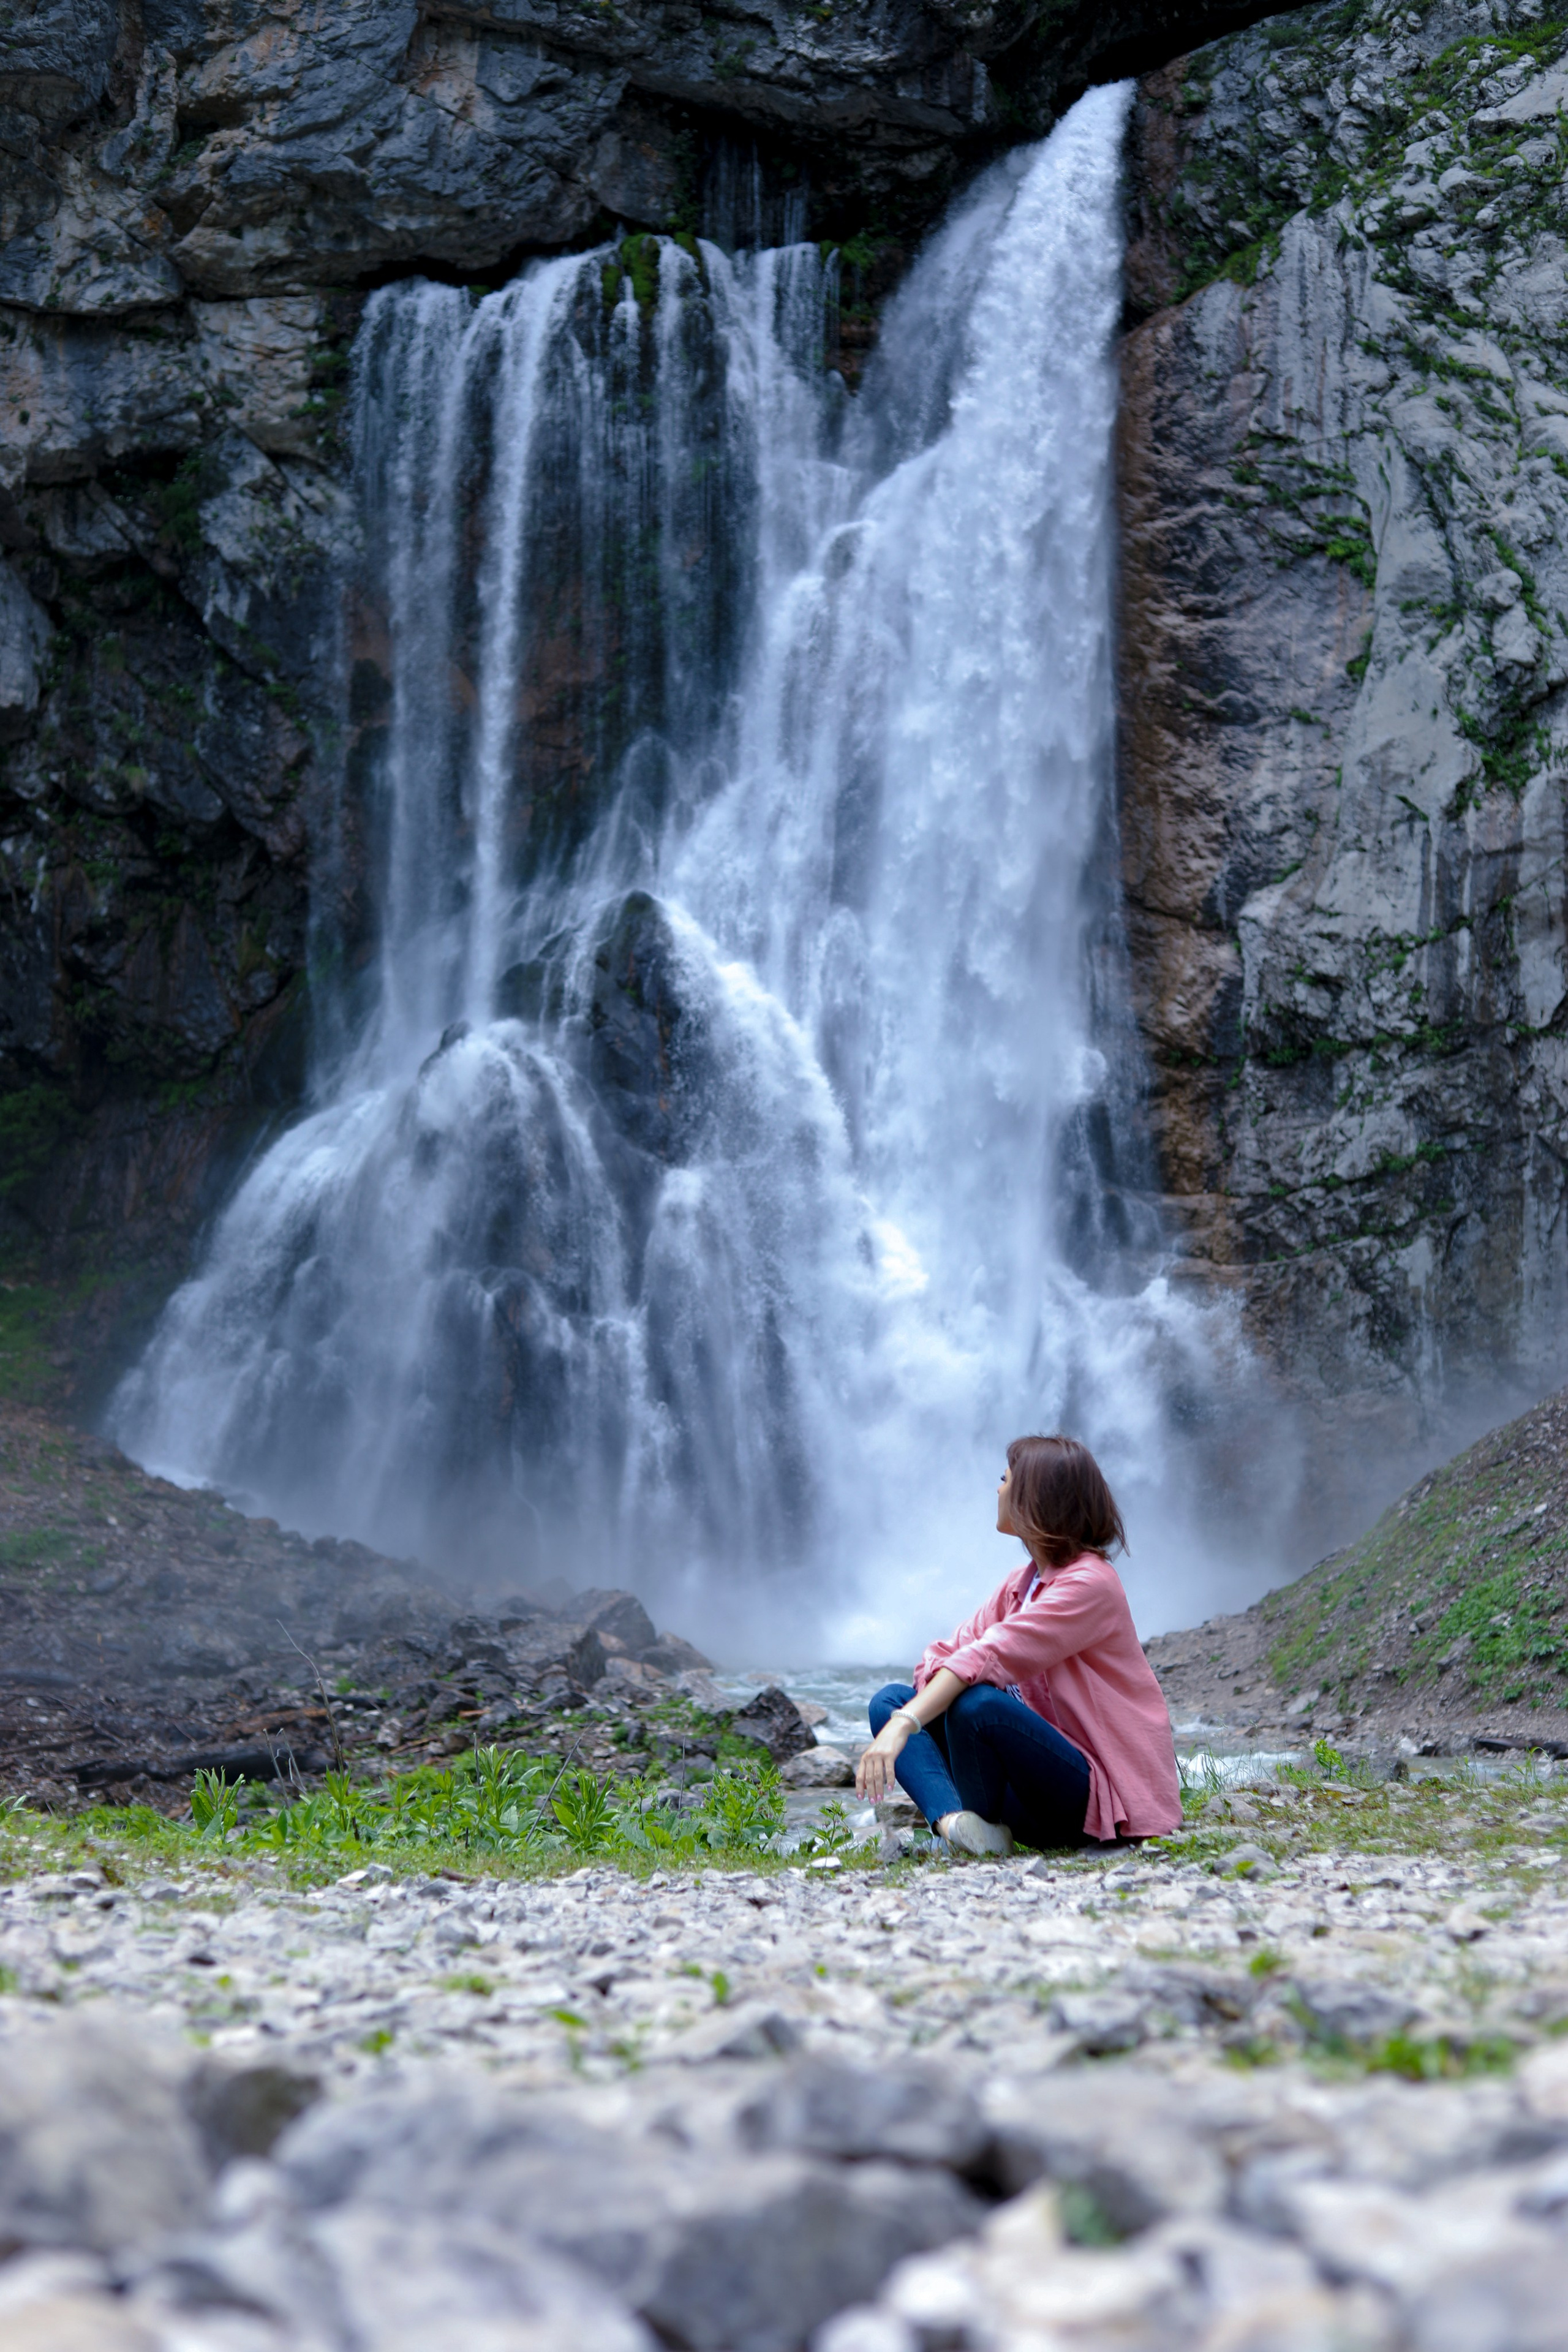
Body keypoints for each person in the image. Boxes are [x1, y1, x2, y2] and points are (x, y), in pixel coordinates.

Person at [856, 1434, 1182, 1856]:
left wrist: (908, 1724)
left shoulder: (1091, 1584)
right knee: (890, 1701)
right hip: (1026, 1794)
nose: (997, 1489)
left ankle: (975, 1827)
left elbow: (987, 1654)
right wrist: (910, 1710)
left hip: (1090, 1800)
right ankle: (960, 1827)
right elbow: (944, 1654)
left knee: (976, 1707)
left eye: (1005, 1479)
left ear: (1038, 1496)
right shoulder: (1020, 1585)